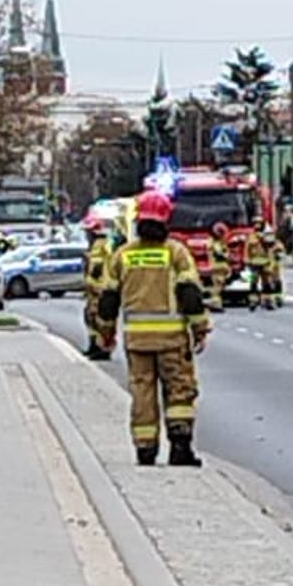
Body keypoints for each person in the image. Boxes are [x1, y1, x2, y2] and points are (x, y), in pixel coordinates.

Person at [97, 189, 210, 467]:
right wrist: (200, 328)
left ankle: (145, 449)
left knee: (142, 393)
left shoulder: (123, 256)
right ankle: (180, 448)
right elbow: (190, 295)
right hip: (172, 340)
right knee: (179, 391)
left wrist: (106, 333)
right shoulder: (176, 253)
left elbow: (108, 300)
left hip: (137, 342)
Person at [82, 213, 114, 360]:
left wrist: (94, 285)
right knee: (91, 318)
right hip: (94, 291)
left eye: (87, 232)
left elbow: (98, 270)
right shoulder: (95, 247)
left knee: (101, 320)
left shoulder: (101, 247)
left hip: (100, 290)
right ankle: (94, 345)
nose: (86, 235)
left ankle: (103, 348)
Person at [208, 222, 233, 311]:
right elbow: (219, 253)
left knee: (220, 285)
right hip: (217, 266)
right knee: (218, 285)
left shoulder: (220, 242)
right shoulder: (213, 243)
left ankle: (216, 303)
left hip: (222, 266)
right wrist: (226, 254)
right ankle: (215, 304)